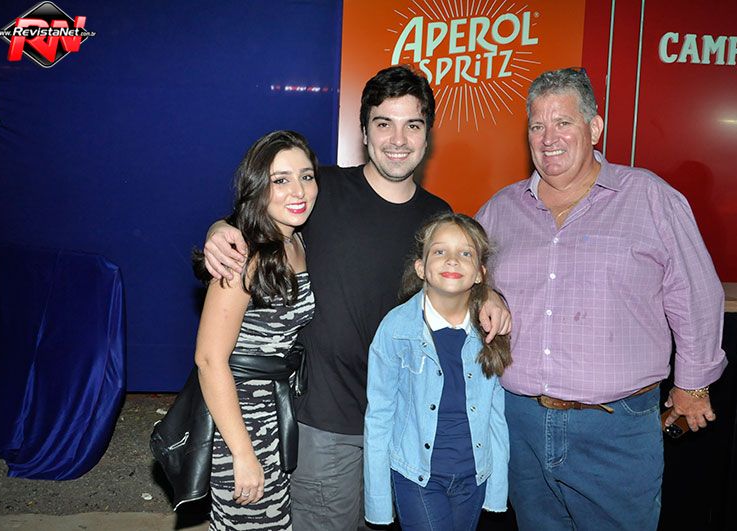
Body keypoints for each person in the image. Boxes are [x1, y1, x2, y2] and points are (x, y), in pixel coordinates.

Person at [202, 66, 512, 530]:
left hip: (407, 426)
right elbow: (251, 224)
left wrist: (490, 296)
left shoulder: (438, 216)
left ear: (427, 136)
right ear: (364, 132)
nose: (398, 139)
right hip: (327, 422)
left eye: (413, 125)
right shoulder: (319, 191)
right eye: (384, 123)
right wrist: (218, 230)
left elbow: (461, 280)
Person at [475, 67, 728, 529]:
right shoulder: (499, 210)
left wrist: (693, 385)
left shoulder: (649, 197)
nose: (548, 138)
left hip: (616, 428)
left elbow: (695, 292)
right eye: (537, 125)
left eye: (563, 122)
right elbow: (462, 285)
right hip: (519, 423)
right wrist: (484, 292)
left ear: (594, 128)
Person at [192, 130, 318, 530]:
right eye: (280, 180)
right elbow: (209, 360)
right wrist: (242, 454)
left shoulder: (297, 240)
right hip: (241, 424)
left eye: (306, 176)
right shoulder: (242, 256)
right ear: (258, 187)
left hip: (277, 415)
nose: (298, 190)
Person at [364, 212, 510, 530]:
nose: (452, 260)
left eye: (466, 253)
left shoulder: (489, 330)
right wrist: (378, 503)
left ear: (480, 273)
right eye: (440, 251)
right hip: (417, 476)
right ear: (421, 267)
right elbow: (379, 417)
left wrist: (497, 489)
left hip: (474, 477)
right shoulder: (395, 330)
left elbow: (496, 416)